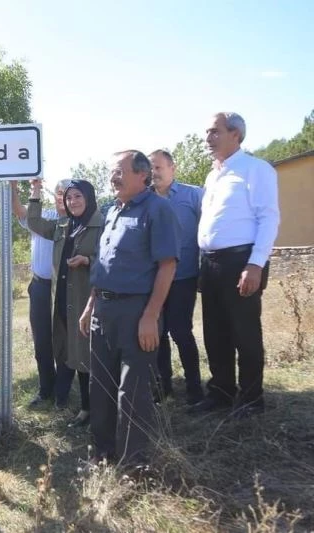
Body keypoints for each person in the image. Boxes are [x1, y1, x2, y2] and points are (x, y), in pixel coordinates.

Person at [80, 150, 180, 466]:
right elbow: (102, 266)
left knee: (133, 392)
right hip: (102, 310)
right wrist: (89, 305)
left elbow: (167, 266)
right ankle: (102, 452)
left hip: (137, 312)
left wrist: (151, 316)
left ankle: (132, 463)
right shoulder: (110, 212)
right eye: (112, 172)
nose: (114, 177)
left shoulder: (157, 210)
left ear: (142, 175)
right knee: (101, 386)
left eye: (120, 171)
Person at [189, 112, 280, 419]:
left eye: (215, 131)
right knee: (215, 332)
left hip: (241, 261)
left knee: (245, 333)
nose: (208, 138)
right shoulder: (213, 175)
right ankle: (222, 392)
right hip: (211, 264)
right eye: (207, 132)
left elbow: (268, 218)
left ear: (236, 135)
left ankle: (252, 399)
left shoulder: (256, 169)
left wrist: (255, 265)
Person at [28, 179, 104, 428]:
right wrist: (35, 193)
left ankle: (93, 408)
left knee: (87, 353)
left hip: (87, 300)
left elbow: (111, 260)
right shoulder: (63, 225)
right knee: (73, 351)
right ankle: (84, 406)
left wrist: (88, 260)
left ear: (89, 198)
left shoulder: (101, 225)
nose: (73, 202)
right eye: (69, 198)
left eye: (78, 197)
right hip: (63, 300)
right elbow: (34, 222)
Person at [148, 150, 205, 405]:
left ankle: (194, 390)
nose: (154, 173)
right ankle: (163, 389)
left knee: (181, 331)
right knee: (157, 334)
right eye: (150, 169)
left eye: (158, 167)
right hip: (153, 279)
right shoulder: (144, 200)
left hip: (184, 276)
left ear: (173, 168)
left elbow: (207, 234)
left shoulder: (194, 195)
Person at [10, 180, 63, 408]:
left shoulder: (77, 221)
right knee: (42, 341)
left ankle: (64, 391)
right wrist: (15, 187)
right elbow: (20, 211)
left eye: (68, 194)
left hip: (65, 289)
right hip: (40, 287)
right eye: (59, 193)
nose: (63, 198)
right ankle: (46, 390)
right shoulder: (43, 216)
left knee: (64, 341)